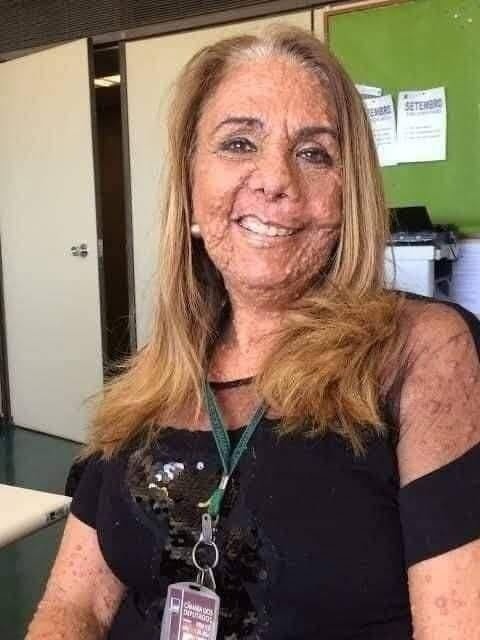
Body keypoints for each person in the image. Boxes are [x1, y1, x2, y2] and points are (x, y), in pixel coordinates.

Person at [26, 26, 480, 640]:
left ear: (349, 198)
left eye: (314, 153)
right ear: (190, 193)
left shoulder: (421, 352)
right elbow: (73, 603)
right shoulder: (155, 376)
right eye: (239, 143)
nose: (275, 179)